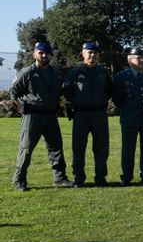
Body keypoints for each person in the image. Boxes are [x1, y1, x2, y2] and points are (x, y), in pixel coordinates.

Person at [10, 42, 72, 191]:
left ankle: (60, 178)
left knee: (56, 148)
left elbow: (63, 91)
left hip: (50, 116)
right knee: (26, 149)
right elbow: (13, 92)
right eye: (41, 52)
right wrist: (20, 105)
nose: (44, 55)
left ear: (51, 55)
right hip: (32, 116)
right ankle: (19, 181)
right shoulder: (26, 73)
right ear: (34, 54)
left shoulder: (56, 73)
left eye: (47, 53)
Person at [63, 41, 112, 187]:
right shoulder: (74, 73)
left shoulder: (104, 72)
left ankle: (101, 178)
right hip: (81, 115)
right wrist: (78, 102)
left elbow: (109, 90)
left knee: (102, 148)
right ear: (83, 54)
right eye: (89, 52)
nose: (92, 55)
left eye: (95, 52)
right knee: (78, 148)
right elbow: (67, 92)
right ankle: (79, 178)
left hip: (99, 114)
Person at [113, 47, 143, 186]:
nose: (142, 60)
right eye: (138, 57)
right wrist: (128, 110)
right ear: (129, 59)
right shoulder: (121, 77)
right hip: (129, 118)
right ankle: (126, 176)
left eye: (142, 57)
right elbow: (117, 98)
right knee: (128, 148)